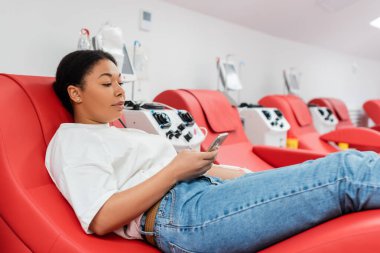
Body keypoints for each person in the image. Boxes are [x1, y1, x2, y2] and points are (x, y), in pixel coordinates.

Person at [46, 50, 380, 253]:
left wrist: (233, 174)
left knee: (338, 171)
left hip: (205, 194)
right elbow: (102, 218)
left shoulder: (120, 131)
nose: (120, 91)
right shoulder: (74, 140)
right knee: (346, 171)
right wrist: (176, 170)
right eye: (107, 84)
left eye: (120, 81)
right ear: (75, 93)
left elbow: (173, 170)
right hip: (185, 217)